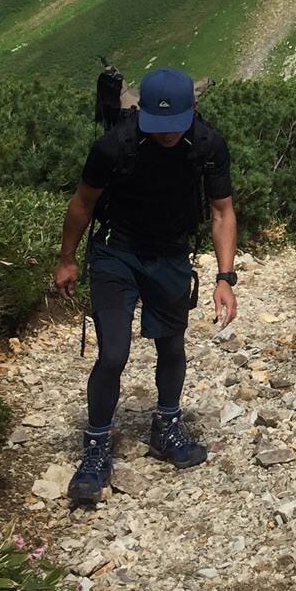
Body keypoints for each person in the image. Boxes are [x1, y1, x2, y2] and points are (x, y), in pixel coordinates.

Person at [53, 67, 238, 503]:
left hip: (171, 256)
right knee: (113, 352)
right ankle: (96, 448)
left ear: (192, 112)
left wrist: (225, 278)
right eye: (160, 126)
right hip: (116, 252)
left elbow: (222, 212)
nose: (169, 135)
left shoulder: (208, 145)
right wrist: (66, 259)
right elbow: (83, 202)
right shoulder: (115, 144)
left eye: (176, 127)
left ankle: (166, 427)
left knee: (171, 345)